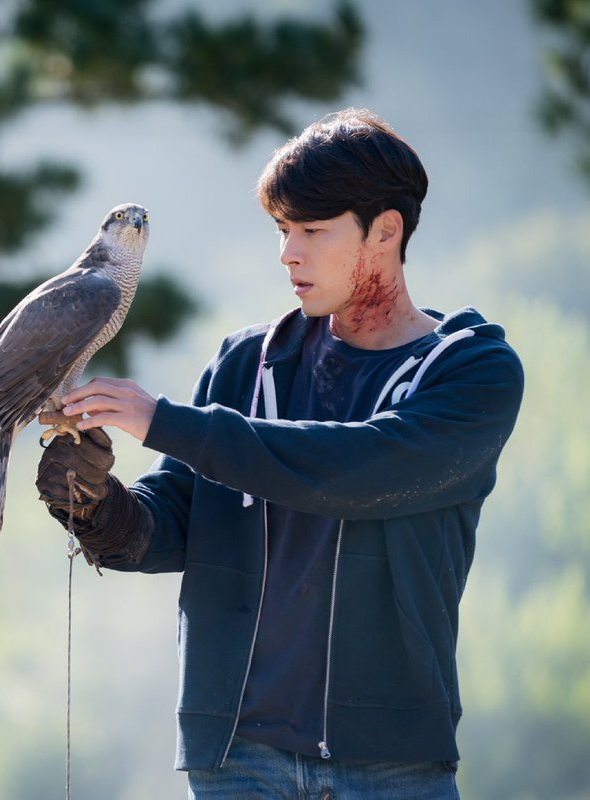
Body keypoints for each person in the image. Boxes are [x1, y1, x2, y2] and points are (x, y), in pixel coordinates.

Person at [34, 108, 524, 799]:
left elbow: (357, 472)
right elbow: (167, 526)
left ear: (385, 231)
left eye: (312, 230)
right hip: (234, 760)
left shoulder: (470, 373)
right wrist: (93, 502)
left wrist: (167, 421)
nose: (288, 253)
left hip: (391, 767)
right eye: (281, 230)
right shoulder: (246, 363)